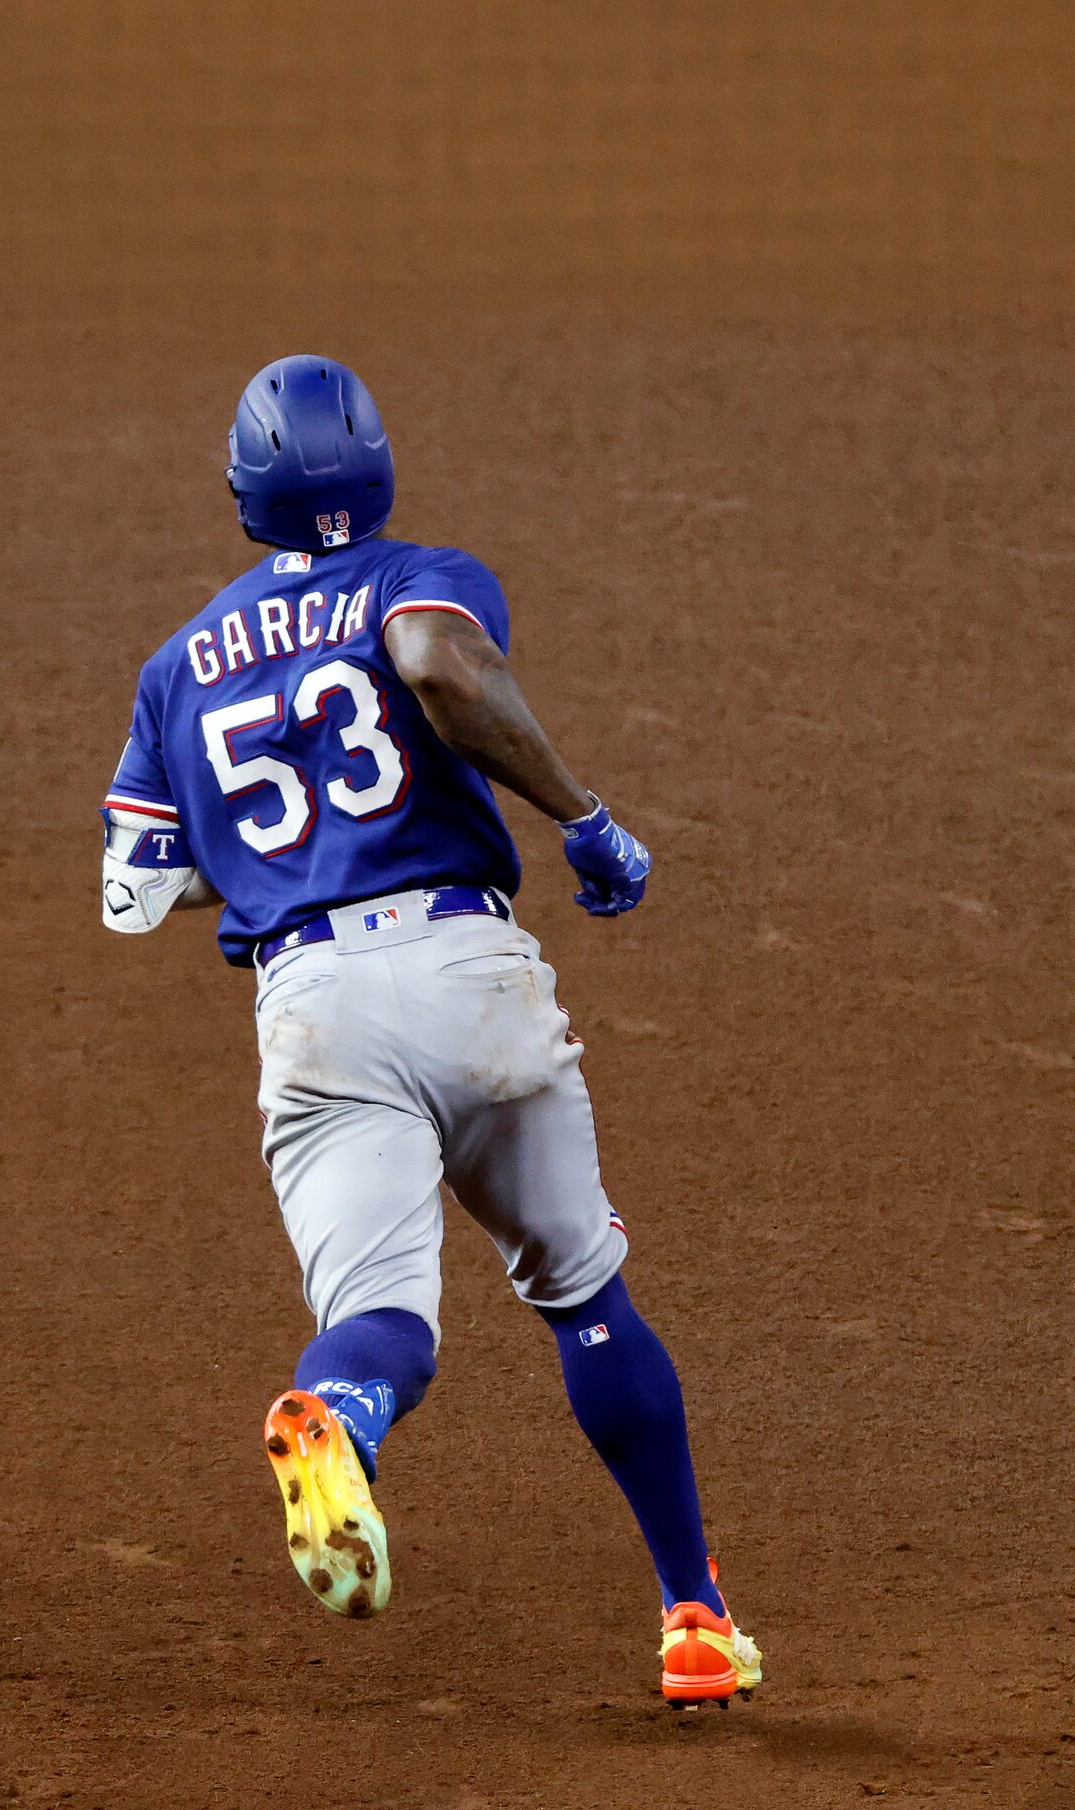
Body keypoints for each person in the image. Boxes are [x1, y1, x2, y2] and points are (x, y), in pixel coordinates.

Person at [99, 355, 761, 1706]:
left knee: (379, 1322)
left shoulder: (174, 669)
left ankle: (337, 1418)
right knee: (584, 1296)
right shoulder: (421, 577)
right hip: (468, 970)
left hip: (315, 1007)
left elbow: (134, 890)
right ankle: (692, 1614)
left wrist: (285, 867)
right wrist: (580, 815)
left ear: (244, 494)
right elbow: (434, 665)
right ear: (376, 466)